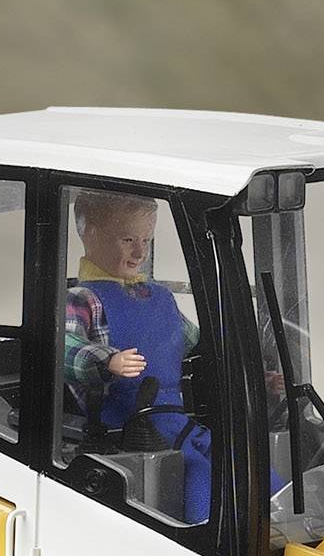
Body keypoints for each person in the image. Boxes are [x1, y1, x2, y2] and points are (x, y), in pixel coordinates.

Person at [63, 189, 217, 524]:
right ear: (91, 234)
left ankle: (275, 519)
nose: (139, 252)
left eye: (145, 241)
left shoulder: (161, 299)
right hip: (123, 426)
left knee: (233, 456)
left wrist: (246, 369)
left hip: (174, 417)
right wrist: (107, 360)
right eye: (127, 239)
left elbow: (198, 347)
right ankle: (205, 536)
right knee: (196, 470)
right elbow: (63, 346)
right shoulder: (82, 298)